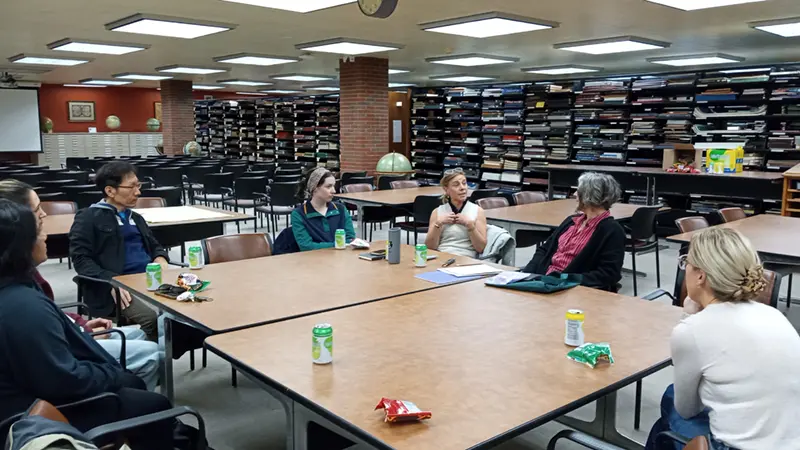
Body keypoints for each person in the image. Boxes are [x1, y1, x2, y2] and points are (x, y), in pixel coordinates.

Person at [0, 199, 176, 449]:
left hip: (28, 395)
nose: (46, 236)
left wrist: (78, 329)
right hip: (37, 413)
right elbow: (62, 379)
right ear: (20, 245)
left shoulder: (17, 290)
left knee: (135, 383)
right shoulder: (24, 305)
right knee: (154, 404)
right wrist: (111, 373)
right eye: (38, 231)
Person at [645, 228, 800, 450]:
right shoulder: (774, 315)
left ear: (700, 276)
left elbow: (687, 409)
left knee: (671, 401)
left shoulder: (691, 330)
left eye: (685, 262)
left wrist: (688, 316)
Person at [0, 179, 161, 391]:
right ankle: (132, 400)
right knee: (151, 351)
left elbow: (155, 245)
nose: (44, 215)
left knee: (139, 336)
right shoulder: (20, 295)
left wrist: (78, 323)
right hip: (108, 292)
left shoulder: (136, 218)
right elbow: (58, 371)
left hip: (133, 285)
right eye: (38, 209)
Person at [69, 162, 169, 342]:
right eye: (131, 187)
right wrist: (111, 280)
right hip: (115, 287)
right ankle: (146, 361)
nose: (138, 192)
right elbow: (81, 259)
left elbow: (155, 245)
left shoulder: (136, 218)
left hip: (149, 280)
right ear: (110, 191)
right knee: (151, 318)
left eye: (138, 185)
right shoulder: (88, 218)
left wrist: (160, 257)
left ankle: (159, 355)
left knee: (186, 310)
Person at [521, 172, 624, 292]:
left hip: (570, 288)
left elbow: (609, 274)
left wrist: (565, 279)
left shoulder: (612, 231)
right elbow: (544, 249)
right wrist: (527, 273)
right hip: (543, 282)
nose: (575, 194)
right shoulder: (571, 221)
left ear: (589, 196)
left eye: (578, 191)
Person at [424, 168, 487, 257]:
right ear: (446, 189)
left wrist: (470, 225)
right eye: (456, 185)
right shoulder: (437, 212)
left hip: (466, 259)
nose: (462, 188)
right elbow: (429, 247)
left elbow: (481, 248)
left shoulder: (477, 211)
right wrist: (438, 224)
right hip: (442, 256)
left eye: (464, 183)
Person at [291, 168, 356, 251]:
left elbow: (350, 239)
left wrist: (323, 245)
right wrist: (338, 244)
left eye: (334, 186)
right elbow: (306, 246)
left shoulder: (341, 209)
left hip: (340, 260)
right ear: (315, 188)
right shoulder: (299, 214)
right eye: (328, 186)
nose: (334, 191)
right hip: (313, 260)